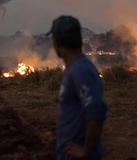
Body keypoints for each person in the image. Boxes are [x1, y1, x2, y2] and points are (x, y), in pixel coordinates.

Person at [46, 15, 108, 159]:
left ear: (56, 43)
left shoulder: (81, 70)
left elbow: (97, 109)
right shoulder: (76, 68)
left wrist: (85, 151)